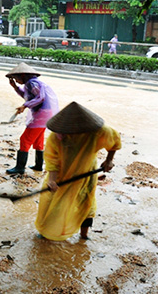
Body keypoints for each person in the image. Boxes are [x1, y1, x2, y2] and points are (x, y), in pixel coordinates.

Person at [35, 102, 121, 241]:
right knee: (52, 202)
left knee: (85, 203)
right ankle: (47, 232)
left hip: (87, 173)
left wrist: (109, 160)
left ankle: (84, 235)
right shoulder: (56, 136)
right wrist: (52, 180)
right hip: (61, 174)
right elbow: (52, 160)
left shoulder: (99, 132)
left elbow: (114, 142)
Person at [5, 63, 59, 175]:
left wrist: (24, 106)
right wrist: (15, 87)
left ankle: (20, 168)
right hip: (46, 114)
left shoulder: (31, 83)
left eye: (17, 79)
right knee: (38, 140)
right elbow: (27, 96)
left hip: (41, 114)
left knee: (25, 139)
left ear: (23, 75)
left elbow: (40, 97)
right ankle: (38, 165)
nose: (17, 81)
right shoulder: (34, 83)